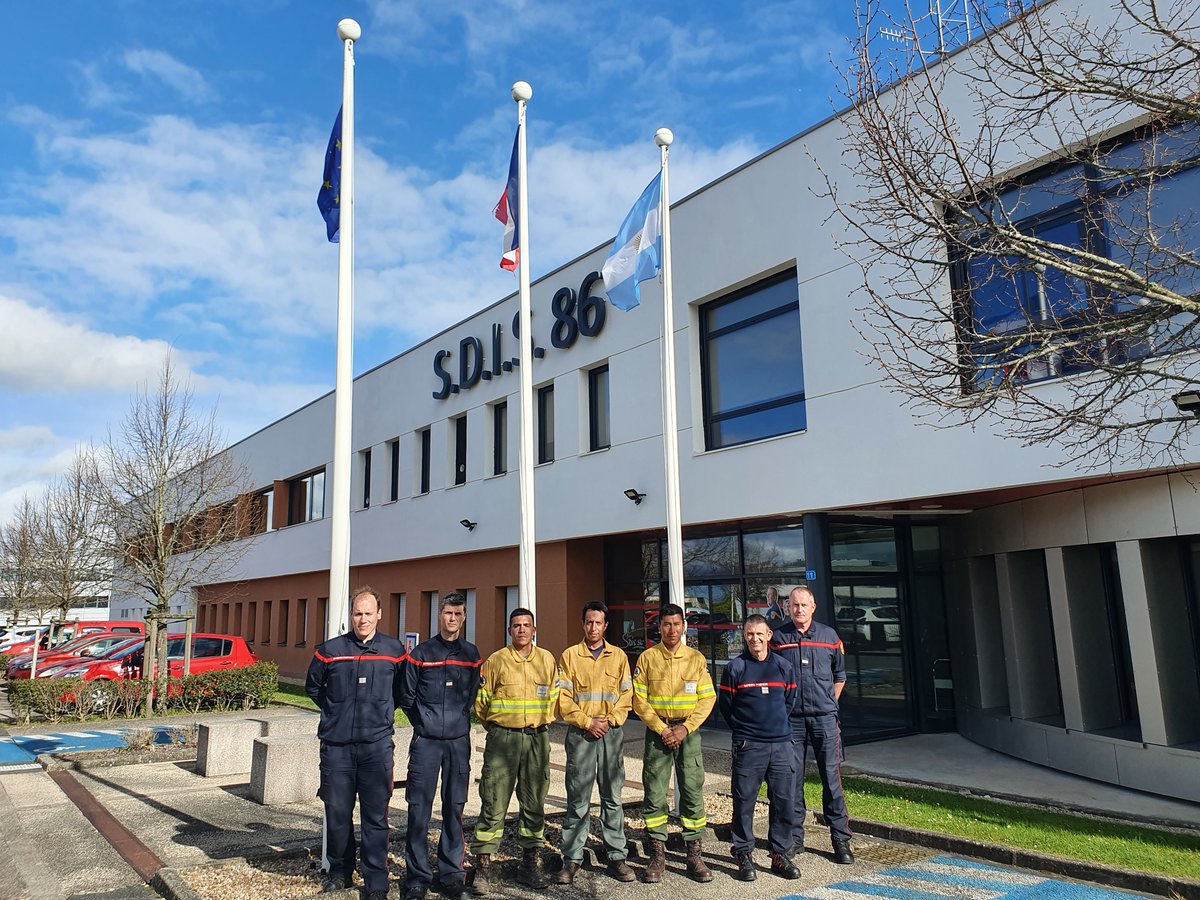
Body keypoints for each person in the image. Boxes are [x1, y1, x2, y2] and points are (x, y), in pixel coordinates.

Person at [305, 586, 407, 899]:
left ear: (379, 614)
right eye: (357, 613)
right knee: (337, 812)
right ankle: (340, 873)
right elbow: (313, 688)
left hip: (376, 748)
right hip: (336, 748)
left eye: (368, 613)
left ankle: (376, 880)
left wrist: (380, 715)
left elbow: (402, 692)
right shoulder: (330, 650)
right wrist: (336, 712)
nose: (362, 619)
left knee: (376, 816)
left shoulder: (394, 650)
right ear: (352, 615)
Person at [399, 593, 483, 900]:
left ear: (464, 617)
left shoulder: (472, 655)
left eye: (458, 614)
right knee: (418, 809)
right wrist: (423, 722)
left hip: (458, 743)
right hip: (427, 742)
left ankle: (451, 874)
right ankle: (417, 877)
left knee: (454, 807)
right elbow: (407, 696)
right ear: (440, 615)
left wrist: (459, 720)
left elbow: (471, 694)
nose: (452, 618)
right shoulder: (421, 653)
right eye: (448, 613)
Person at [470, 608, 558, 894]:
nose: (521, 630)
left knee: (534, 803)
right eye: (516, 625)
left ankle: (529, 865)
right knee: (493, 801)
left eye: (526, 625)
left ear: (534, 630)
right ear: (509, 630)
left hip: (536, 739)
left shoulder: (547, 661)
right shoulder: (496, 661)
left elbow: (555, 699)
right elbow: (482, 704)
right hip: (503, 740)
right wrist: (500, 728)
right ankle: (483, 867)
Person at [631, 603, 717, 883]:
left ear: (684, 626)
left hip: (688, 734)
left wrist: (685, 728)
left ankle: (694, 855)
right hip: (658, 734)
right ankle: (658, 854)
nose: (671, 629)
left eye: (676, 624)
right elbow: (638, 700)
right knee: (654, 794)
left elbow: (708, 698)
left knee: (692, 791)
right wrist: (660, 728)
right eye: (666, 624)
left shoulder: (695, 659)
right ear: (660, 627)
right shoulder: (647, 658)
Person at [770, 585, 854, 865]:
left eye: (804, 605)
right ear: (787, 607)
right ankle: (795, 839)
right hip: (791, 722)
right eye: (794, 605)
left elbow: (839, 677)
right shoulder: (778, 638)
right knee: (791, 780)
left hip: (824, 720)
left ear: (813, 607)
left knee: (831, 779)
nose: (799, 610)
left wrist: (828, 703)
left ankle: (840, 839)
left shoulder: (829, 637)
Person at [553, 600, 636, 885]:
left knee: (612, 797)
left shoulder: (619, 657)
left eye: (598, 622)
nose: (593, 627)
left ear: (605, 626)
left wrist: (609, 721)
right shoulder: (569, 656)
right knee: (578, 799)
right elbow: (563, 699)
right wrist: (588, 722)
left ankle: (616, 856)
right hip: (581, 734)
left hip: (611, 734)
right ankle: (572, 858)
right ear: (583, 624)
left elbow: (627, 696)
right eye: (588, 622)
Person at [719, 614, 800, 882]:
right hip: (749, 745)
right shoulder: (735, 668)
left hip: (780, 744)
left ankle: (780, 853)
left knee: (785, 801)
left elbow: (789, 701)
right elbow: (727, 707)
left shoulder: (783, 667)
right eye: (750, 634)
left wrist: (773, 727)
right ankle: (743, 853)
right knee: (744, 802)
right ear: (745, 637)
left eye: (760, 634)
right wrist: (746, 730)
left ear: (769, 636)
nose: (755, 639)